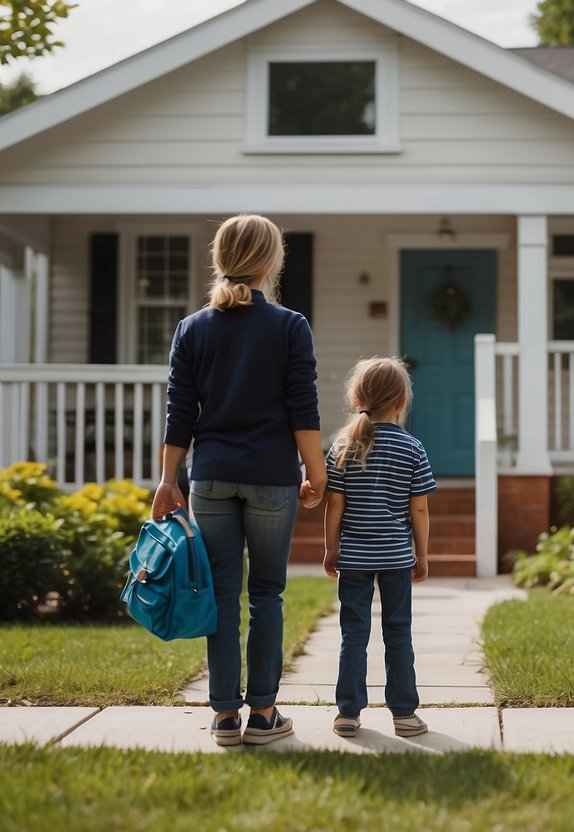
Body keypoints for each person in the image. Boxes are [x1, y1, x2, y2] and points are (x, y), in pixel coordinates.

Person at [152, 214, 325, 747]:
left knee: (223, 594)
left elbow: (179, 411)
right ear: (271, 262)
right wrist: (318, 474)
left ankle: (225, 715)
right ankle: (265, 714)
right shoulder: (290, 325)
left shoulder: (193, 328)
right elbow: (304, 411)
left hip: (212, 477)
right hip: (273, 478)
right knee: (267, 594)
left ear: (220, 258)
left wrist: (166, 480)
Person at [322, 356, 435, 739]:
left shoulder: (342, 446)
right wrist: (421, 554)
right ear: (402, 401)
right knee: (398, 632)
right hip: (396, 558)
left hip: (353, 557)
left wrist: (330, 547)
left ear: (357, 399)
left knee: (353, 633)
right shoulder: (413, 449)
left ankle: (348, 713)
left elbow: (334, 503)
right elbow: (418, 507)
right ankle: (404, 714)